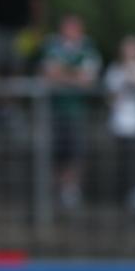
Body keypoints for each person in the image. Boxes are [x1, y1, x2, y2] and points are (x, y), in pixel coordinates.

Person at [39, 14, 102, 210]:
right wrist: (74, 76)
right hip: (55, 111)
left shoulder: (88, 49)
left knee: (76, 153)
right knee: (55, 153)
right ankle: (56, 191)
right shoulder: (52, 46)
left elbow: (88, 80)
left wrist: (63, 75)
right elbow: (49, 75)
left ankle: (71, 190)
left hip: (77, 112)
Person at [104, 35, 135, 210]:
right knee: (124, 162)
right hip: (120, 124)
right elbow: (110, 98)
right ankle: (124, 197)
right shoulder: (115, 71)